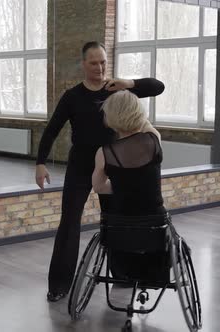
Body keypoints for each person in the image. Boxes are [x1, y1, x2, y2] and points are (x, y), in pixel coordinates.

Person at [36, 41, 165, 301]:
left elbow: (158, 87)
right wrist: (40, 162)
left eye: (103, 62)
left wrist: (129, 83)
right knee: (69, 223)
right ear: (83, 64)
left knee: (116, 223)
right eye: (94, 62)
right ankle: (59, 285)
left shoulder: (116, 91)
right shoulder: (72, 96)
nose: (100, 67)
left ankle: (123, 275)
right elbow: (52, 130)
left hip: (114, 165)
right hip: (81, 166)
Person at [92, 90, 166, 280]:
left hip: (120, 224)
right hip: (154, 222)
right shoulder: (153, 140)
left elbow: (100, 188)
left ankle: (123, 276)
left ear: (110, 117)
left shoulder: (104, 153)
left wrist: (122, 186)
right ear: (139, 113)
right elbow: (147, 126)